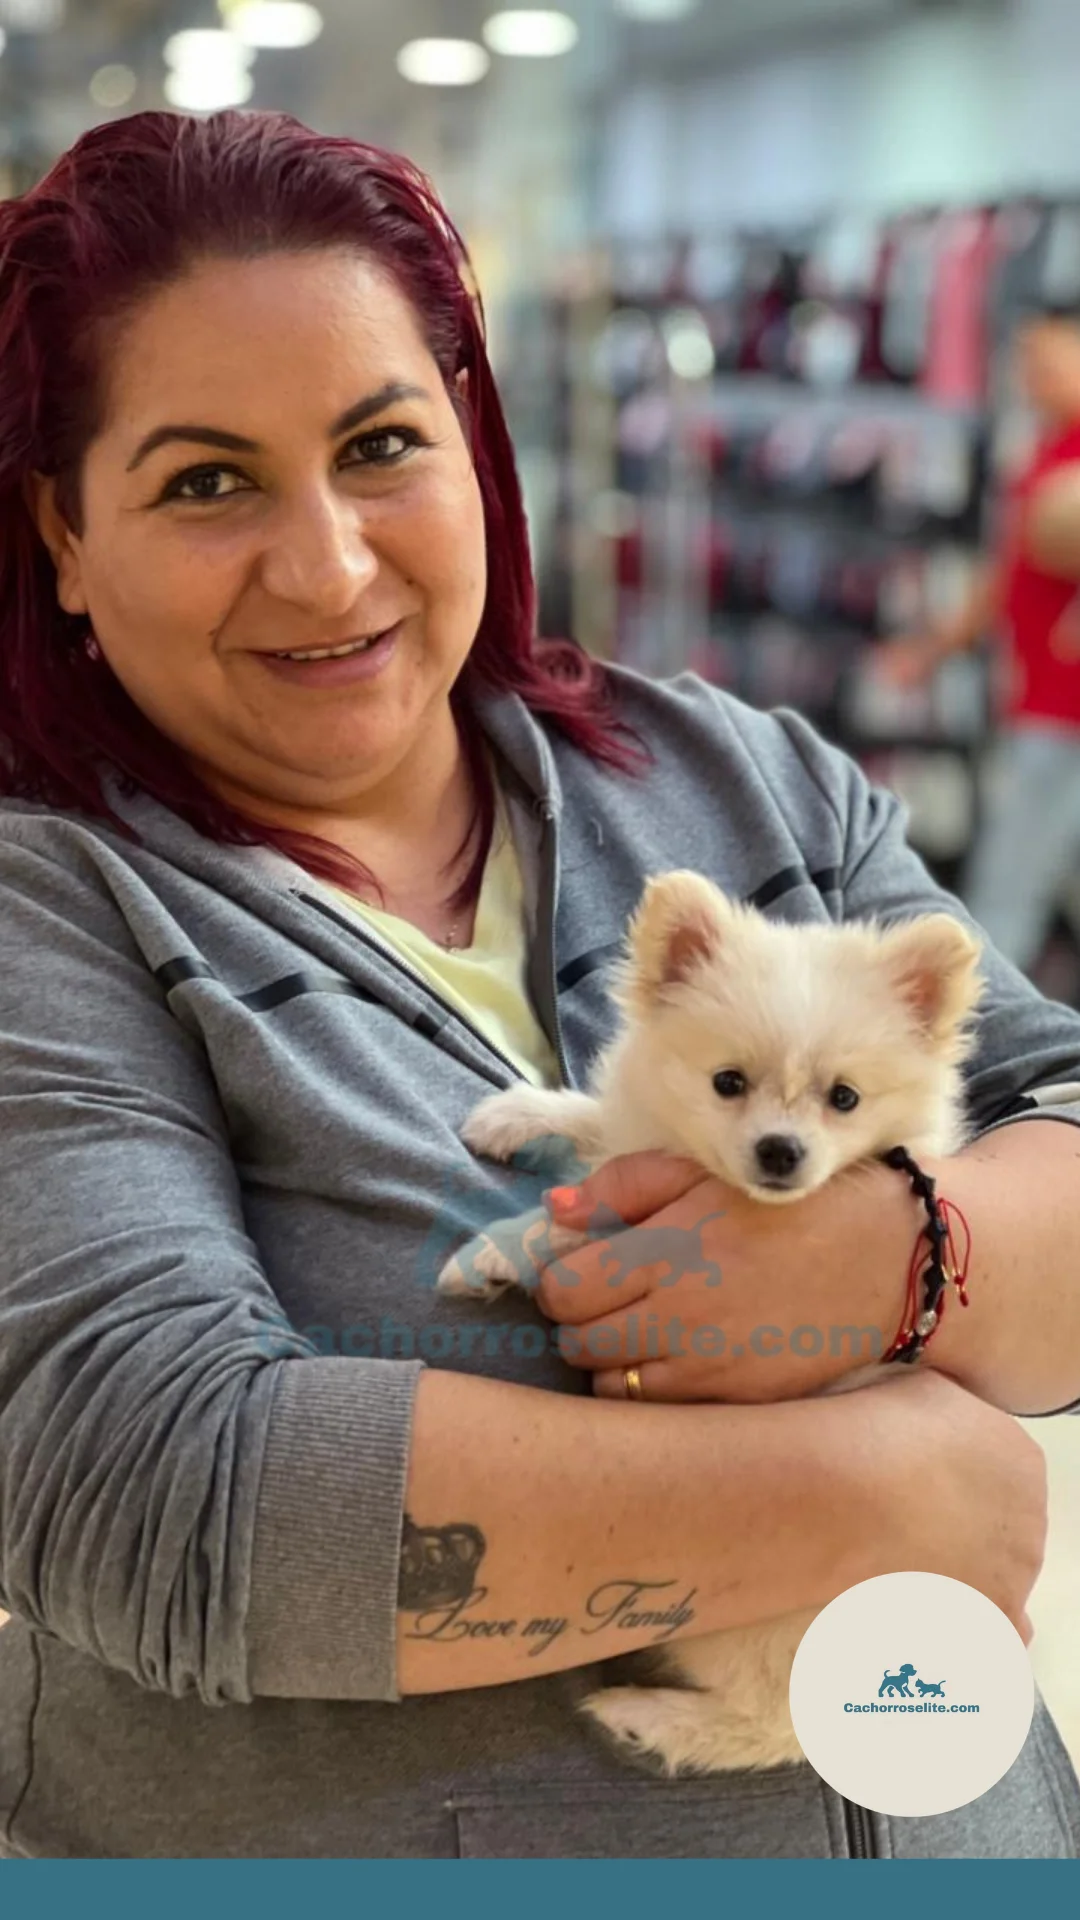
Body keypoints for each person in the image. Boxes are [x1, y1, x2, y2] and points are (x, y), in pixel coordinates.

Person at [0, 111, 1079, 1863]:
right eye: (206, 481)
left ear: (475, 446)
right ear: (59, 531)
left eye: (379, 445)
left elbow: (1064, 1113)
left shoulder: (739, 777)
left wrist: (901, 1254)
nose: (330, 563)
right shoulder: (53, 908)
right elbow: (149, 1494)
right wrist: (872, 1483)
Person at [879, 307, 1080, 974]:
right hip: (1036, 701)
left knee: (1010, 884)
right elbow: (1007, 575)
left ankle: (985, 1036)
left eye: (1049, 364)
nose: (1033, 381)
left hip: (1063, 712)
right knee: (1031, 875)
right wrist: (931, 649)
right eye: (1027, 366)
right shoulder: (1046, 451)